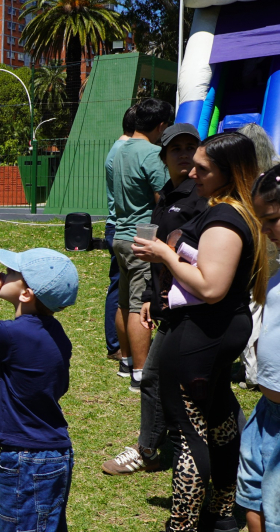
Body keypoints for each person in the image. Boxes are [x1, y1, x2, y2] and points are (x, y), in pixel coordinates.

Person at [133, 133, 269, 532]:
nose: (192, 174)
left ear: (230, 172)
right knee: (220, 420)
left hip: (201, 333)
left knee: (188, 432)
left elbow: (211, 287)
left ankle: (183, 524)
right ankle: (222, 512)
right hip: (217, 330)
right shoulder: (232, 210)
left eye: (202, 169)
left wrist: (164, 254)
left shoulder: (225, 218)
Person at [102, 123, 206, 476]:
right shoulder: (167, 196)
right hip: (170, 304)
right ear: (163, 156)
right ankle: (151, 448)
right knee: (160, 378)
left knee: (194, 385)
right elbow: (159, 255)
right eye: (176, 148)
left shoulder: (201, 197)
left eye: (191, 147)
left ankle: (159, 449)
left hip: (195, 308)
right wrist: (150, 296)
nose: (184, 154)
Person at [0, 248, 78, 532]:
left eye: (13, 273)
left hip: (27, 459)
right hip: (57, 454)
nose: (3, 274)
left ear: (26, 294)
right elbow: (54, 387)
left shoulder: (9, 333)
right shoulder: (59, 335)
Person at [111, 98, 173, 392]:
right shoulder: (151, 153)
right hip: (142, 239)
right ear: (161, 126)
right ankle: (140, 373)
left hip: (120, 236)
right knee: (139, 306)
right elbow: (163, 197)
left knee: (124, 302)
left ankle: (126, 362)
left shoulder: (119, 148)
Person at [237, 166, 280, 532]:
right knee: (252, 496)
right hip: (266, 411)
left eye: (272, 219)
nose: (264, 230)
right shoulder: (276, 274)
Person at [236, 123, 280, 391]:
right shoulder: (273, 174)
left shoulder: (242, 178)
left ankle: (252, 370)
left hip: (254, 248)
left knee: (253, 304)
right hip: (272, 250)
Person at [104, 105, 138, 366]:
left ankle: (119, 343)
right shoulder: (125, 151)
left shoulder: (117, 149)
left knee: (119, 285)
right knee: (120, 287)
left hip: (115, 225)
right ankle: (117, 344)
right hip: (122, 226)